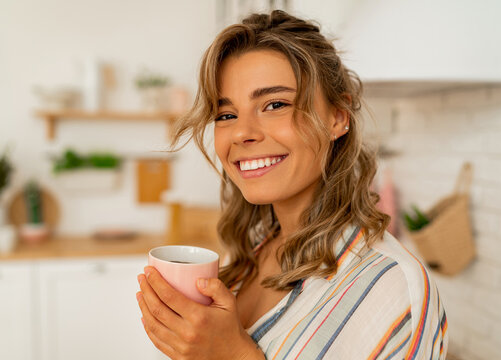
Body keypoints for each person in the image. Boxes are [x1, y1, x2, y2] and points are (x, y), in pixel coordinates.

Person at [136, 10, 448, 360]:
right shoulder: (251, 251)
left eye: (275, 105)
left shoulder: (391, 286)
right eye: (226, 114)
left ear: (337, 118)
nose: (241, 132)